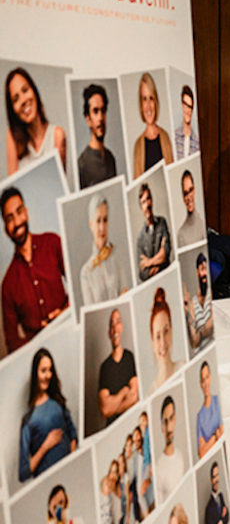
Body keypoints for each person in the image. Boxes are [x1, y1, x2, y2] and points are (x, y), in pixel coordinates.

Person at [3, 187, 69, 353]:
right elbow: (12, 343)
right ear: (5, 228)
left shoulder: (53, 243)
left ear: (26, 212)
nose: (17, 222)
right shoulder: (7, 285)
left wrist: (65, 312)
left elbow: (80, 284)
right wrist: (36, 343)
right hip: (39, 355)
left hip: (69, 332)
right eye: (10, 218)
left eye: (19, 212)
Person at [19, 348, 78, 481]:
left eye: (50, 370)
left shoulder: (58, 402)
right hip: (49, 483)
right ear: (35, 373)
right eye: (43, 370)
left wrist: (72, 462)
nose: (48, 375)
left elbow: (73, 433)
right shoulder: (28, 419)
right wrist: (46, 446)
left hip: (70, 476)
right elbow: (23, 473)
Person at [5, 67, 67, 176]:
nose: (23, 100)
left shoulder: (57, 135)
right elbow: (12, 185)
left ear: (34, 91)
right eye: (16, 99)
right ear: (12, 109)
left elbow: (58, 182)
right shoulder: (12, 138)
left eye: (25, 90)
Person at [80, 193, 130, 305]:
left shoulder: (118, 257)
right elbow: (92, 311)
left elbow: (126, 295)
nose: (102, 227)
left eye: (105, 220)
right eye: (98, 221)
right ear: (91, 224)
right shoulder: (85, 273)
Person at [98, 308, 138, 427]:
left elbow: (134, 397)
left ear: (122, 327)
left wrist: (113, 406)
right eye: (112, 324)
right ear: (109, 333)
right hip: (112, 427)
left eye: (118, 322)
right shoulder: (105, 367)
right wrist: (123, 392)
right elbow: (105, 410)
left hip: (132, 423)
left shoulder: (129, 358)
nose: (115, 327)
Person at [132, 72, 173, 179]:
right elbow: (137, 185)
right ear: (141, 104)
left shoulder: (165, 137)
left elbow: (172, 177)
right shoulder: (138, 146)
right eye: (144, 99)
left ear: (156, 102)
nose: (148, 106)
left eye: (151, 98)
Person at [77, 83, 118, 189]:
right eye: (95, 111)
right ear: (88, 119)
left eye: (103, 111)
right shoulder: (82, 164)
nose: (100, 118)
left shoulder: (110, 158)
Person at [135, 183, 172, 282]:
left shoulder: (162, 222)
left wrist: (148, 262)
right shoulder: (140, 239)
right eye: (143, 202)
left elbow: (165, 254)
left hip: (168, 278)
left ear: (152, 200)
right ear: (141, 208)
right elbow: (142, 273)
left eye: (148, 199)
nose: (147, 205)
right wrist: (159, 264)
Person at [155, 395, 186, 501]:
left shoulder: (180, 455)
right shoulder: (158, 468)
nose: (169, 428)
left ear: (175, 419)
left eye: (171, 418)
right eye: (165, 421)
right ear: (161, 426)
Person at [183, 253, 214, 354]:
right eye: (202, 269)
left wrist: (199, 332)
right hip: (201, 354)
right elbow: (195, 342)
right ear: (197, 272)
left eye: (206, 269)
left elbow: (211, 326)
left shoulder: (212, 293)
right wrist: (188, 314)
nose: (205, 273)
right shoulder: (192, 303)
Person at [148, 287, 177, 392]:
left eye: (166, 331)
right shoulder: (151, 393)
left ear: (171, 331)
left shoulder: (184, 366)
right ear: (152, 341)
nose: (163, 343)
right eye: (158, 336)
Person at [195, 361, 223, 458]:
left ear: (210, 377)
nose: (205, 383)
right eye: (203, 380)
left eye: (207, 377)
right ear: (200, 384)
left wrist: (207, 444)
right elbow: (202, 454)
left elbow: (223, 433)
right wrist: (215, 436)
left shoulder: (218, 401)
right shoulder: (200, 417)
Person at [175, 170, 205, 247]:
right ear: (183, 197)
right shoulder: (181, 234)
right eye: (185, 193)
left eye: (190, 190)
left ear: (194, 190)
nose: (189, 197)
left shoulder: (203, 223)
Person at [174, 85, 199, 159]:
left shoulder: (197, 142)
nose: (188, 110)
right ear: (182, 105)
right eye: (185, 105)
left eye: (190, 107)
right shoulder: (175, 136)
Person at [121, 434, 143, 521]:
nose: (129, 448)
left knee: (135, 495)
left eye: (131, 445)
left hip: (134, 480)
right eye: (127, 446)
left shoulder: (135, 455)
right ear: (125, 447)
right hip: (128, 483)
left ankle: (137, 518)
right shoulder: (124, 460)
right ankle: (128, 517)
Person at [137, 412, 154, 514]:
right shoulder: (143, 437)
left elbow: (151, 449)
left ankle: (147, 515)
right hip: (145, 465)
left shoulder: (148, 432)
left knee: (141, 493)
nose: (142, 424)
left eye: (143, 420)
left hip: (148, 464)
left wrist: (151, 465)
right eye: (140, 423)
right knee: (141, 493)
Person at [99, 459, 125, 524]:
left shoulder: (119, 486)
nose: (113, 475)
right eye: (111, 471)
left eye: (115, 472)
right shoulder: (106, 481)